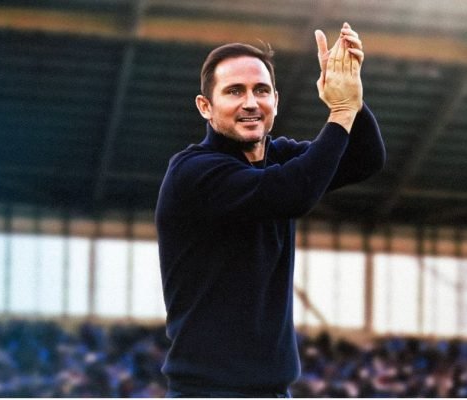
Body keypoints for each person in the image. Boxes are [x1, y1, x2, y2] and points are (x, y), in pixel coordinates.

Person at [155, 22, 385, 397]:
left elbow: (364, 159)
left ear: (275, 101)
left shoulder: (278, 156)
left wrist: (353, 98)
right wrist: (341, 110)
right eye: (234, 91)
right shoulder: (194, 172)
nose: (250, 102)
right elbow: (292, 192)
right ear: (205, 107)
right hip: (209, 391)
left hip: (274, 390)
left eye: (260, 90)